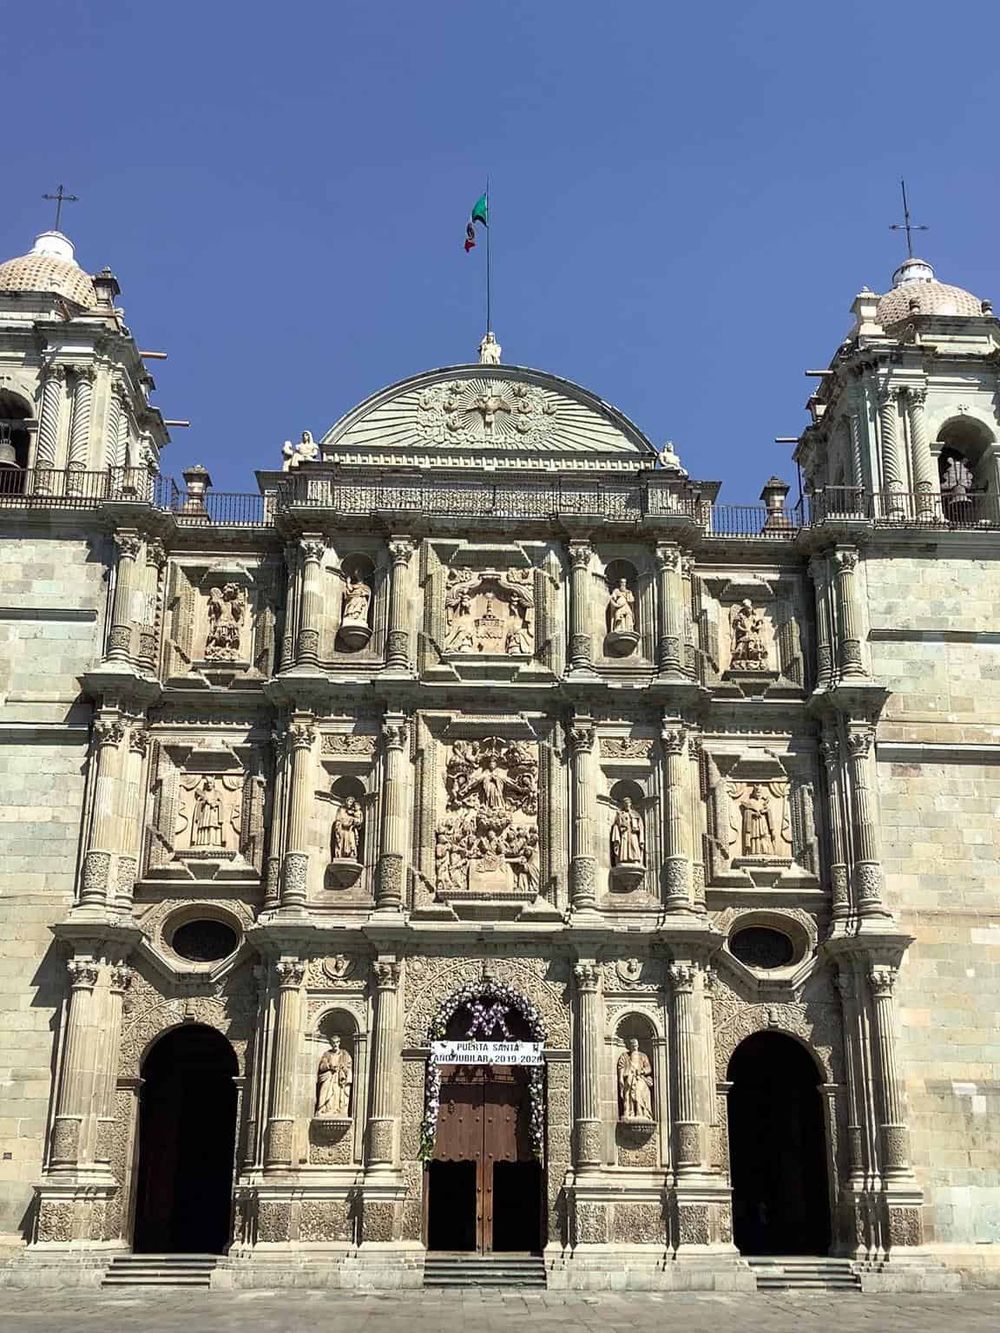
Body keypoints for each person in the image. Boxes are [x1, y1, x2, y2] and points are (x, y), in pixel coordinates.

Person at [316, 1035, 353, 1117]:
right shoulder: (327, 1054)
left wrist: (343, 1068)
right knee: (327, 1094)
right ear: (331, 1043)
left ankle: (338, 1110)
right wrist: (330, 1066)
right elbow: (322, 1066)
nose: (335, 1044)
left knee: (337, 1094)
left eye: (336, 1042)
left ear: (339, 1043)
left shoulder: (345, 1054)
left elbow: (349, 1065)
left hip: (339, 1080)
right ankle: (325, 1109)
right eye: (333, 1043)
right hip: (329, 1078)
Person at [617, 1038, 654, 1120]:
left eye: (636, 1045)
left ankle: (640, 1112)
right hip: (629, 1079)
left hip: (640, 1078)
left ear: (638, 1045)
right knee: (628, 1090)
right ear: (629, 1046)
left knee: (638, 1090)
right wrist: (621, 1078)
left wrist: (642, 1071)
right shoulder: (625, 1056)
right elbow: (621, 1066)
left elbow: (648, 1068)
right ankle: (629, 1111)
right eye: (632, 1045)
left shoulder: (643, 1056)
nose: (634, 1046)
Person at [610, 797, 645, 866]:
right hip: (624, 833)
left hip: (633, 833)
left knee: (634, 845)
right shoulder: (620, 814)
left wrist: (637, 829)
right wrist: (621, 826)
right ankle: (623, 859)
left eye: (628, 803)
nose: (626, 805)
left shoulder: (636, 814)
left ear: (630, 804)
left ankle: (635, 859)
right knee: (624, 846)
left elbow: (641, 826)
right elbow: (616, 825)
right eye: (625, 804)